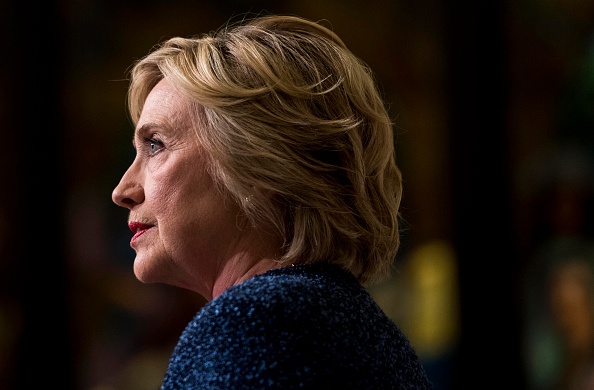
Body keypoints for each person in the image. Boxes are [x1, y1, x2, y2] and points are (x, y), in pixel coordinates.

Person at [111, 13, 433, 389]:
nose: (123, 190)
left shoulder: (251, 324)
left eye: (155, 145)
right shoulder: (357, 327)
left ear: (259, 164)